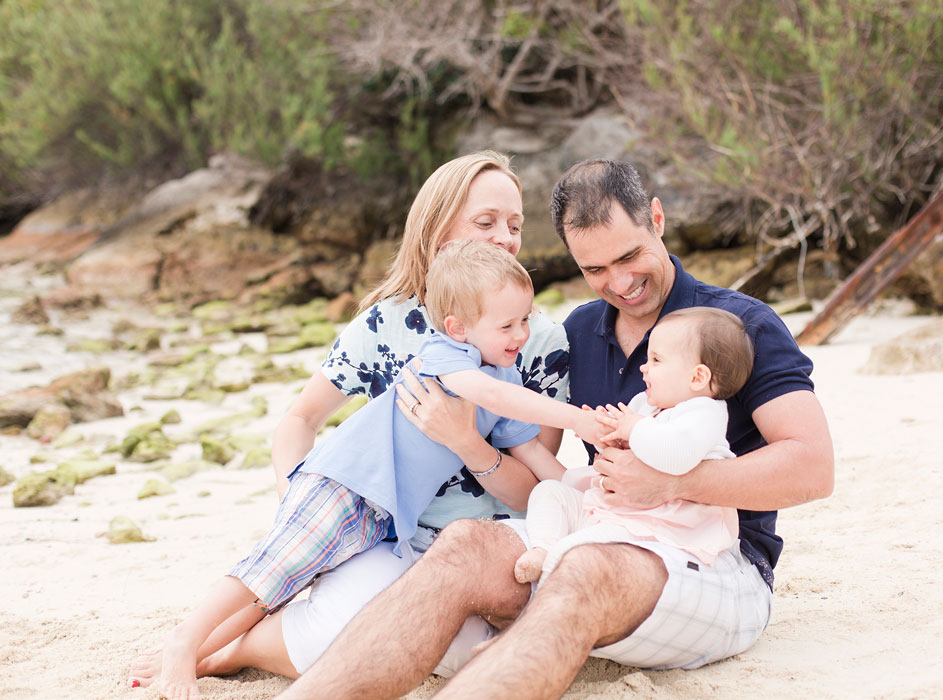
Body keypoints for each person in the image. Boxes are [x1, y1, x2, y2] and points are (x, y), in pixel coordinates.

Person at [273, 158, 834, 700]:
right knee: (466, 543)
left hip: (714, 561)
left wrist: (670, 483)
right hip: (593, 532)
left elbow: (813, 467)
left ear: (657, 220)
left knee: (585, 568)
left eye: (630, 255)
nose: (619, 283)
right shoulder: (580, 331)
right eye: (594, 270)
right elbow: (544, 471)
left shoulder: (738, 324)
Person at [126, 151, 571, 689]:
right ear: (437, 228)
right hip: (383, 533)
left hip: (485, 541)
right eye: (485, 222)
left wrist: (466, 442)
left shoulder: (536, 340)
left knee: (468, 648)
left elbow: (535, 493)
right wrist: (297, 493)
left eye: (515, 224)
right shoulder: (385, 324)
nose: (504, 236)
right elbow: (300, 418)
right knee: (330, 618)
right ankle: (216, 648)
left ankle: (227, 651)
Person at [513, 306, 753, 584]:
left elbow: (677, 456)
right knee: (549, 492)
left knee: (585, 549)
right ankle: (543, 547)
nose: (643, 367)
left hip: (662, 526)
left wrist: (634, 427)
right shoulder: (645, 405)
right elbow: (626, 456)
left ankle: (556, 568)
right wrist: (609, 437)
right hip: (620, 510)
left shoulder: (705, 412)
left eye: (656, 360)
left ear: (697, 377)